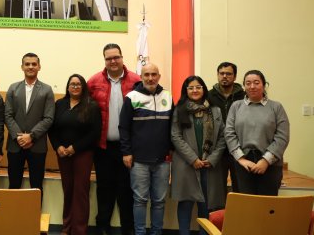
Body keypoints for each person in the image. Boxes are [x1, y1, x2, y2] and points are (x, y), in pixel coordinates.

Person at [87, 43, 140, 235]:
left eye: (116, 57)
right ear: (104, 60)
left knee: (127, 190)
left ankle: (128, 228)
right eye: (109, 58)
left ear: (122, 57)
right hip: (102, 147)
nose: (113, 61)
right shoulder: (93, 82)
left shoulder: (136, 81)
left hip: (128, 148)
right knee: (104, 189)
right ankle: (102, 227)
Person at [119, 63, 173, 235]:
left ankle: (156, 232)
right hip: (138, 160)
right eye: (147, 74)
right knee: (140, 200)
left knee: (159, 201)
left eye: (154, 74)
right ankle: (140, 233)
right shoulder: (132, 97)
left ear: (159, 76)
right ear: (141, 76)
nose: (150, 78)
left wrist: (171, 149)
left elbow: (174, 127)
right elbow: (124, 127)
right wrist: (126, 152)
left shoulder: (168, 96)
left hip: (162, 161)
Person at [171, 76, 226, 235]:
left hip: (209, 166)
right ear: (185, 91)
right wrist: (193, 159)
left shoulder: (215, 111)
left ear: (204, 89)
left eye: (198, 87)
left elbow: (223, 137)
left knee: (207, 205)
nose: (195, 90)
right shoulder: (179, 110)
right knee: (186, 203)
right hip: (186, 165)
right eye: (191, 88)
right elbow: (176, 137)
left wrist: (212, 158)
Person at [48, 74, 101, 235]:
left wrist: (74, 148)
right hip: (62, 154)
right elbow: (52, 128)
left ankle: (79, 230)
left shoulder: (91, 105)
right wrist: (57, 147)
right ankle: (67, 227)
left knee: (80, 192)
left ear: (83, 87)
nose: (75, 87)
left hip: (82, 154)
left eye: (78, 84)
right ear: (68, 87)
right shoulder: (60, 104)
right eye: (72, 84)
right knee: (68, 189)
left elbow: (95, 132)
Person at [224, 70, 290, 195]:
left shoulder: (276, 107)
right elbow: (229, 133)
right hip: (243, 163)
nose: (252, 86)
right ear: (244, 86)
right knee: (246, 206)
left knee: (267, 207)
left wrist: (265, 161)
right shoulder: (236, 106)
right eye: (248, 83)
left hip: (270, 163)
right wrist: (242, 159)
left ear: (264, 85)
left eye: (256, 83)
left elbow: (282, 137)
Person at [4, 52, 55, 195]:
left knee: (36, 186)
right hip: (15, 145)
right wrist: (19, 137)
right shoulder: (13, 88)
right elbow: (7, 115)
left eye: (34, 64)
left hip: (37, 145)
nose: (30, 66)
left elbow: (49, 118)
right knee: (13, 184)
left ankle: (34, 217)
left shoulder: (47, 90)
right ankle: (13, 216)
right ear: (22, 67)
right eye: (27, 64)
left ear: (39, 67)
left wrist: (31, 136)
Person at [207, 62, 245, 198]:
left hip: (240, 149)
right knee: (216, 191)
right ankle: (218, 217)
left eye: (228, 74)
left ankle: (239, 217)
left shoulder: (244, 97)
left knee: (241, 188)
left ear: (234, 77)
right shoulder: (208, 96)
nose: (225, 76)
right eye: (221, 73)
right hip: (217, 150)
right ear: (217, 75)